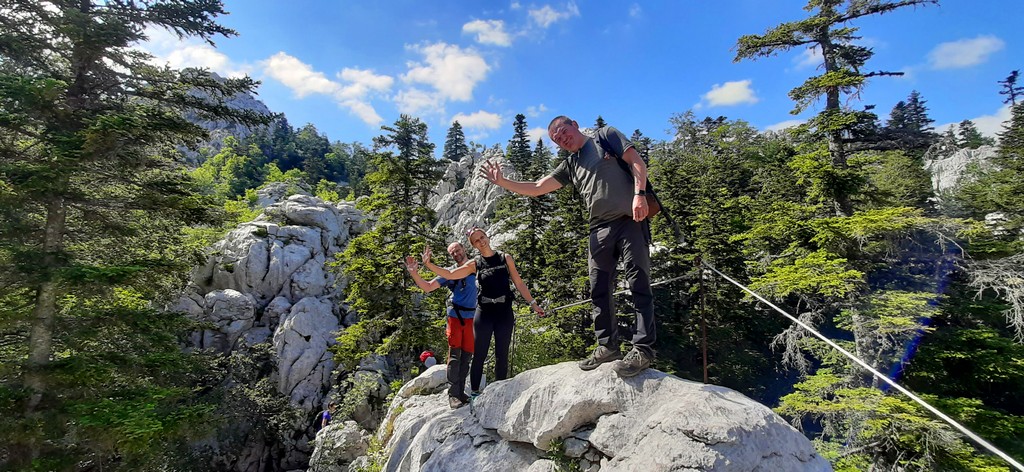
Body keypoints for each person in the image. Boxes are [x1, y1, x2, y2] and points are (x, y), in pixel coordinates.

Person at [478, 116, 655, 377]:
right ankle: (608, 346)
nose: (563, 139)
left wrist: (639, 196)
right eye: (557, 139)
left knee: (638, 281)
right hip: (599, 230)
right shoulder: (570, 165)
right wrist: (503, 182)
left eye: (563, 132)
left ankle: (643, 349)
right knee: (598, 289)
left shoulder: (605, 136)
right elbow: (538, 188)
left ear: (574, 124)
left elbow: (636, 162)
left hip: (629, 220)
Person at [421, 227, 544, 400]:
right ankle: (475, 394)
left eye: (482, 237)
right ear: (473, 245)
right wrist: (429, 265)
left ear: (487, 236)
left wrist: (533, 303)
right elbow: (450, 274)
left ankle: (500, 392)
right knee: (479, 354)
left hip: (504, 311)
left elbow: (518, 282)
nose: (481, 241)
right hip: (484, 312)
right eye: (477, 240)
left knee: (502, 354)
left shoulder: (505, 258)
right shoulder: (474, 264)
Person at [406, 242, 478, 409]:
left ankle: (460, 392)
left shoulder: (473, 265)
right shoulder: (449, 273)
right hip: (456, 316)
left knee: (467, 356)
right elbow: (428, 287)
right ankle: (453, 395)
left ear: (464, 249)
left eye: (458, 250)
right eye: (452, 252)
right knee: (455, 356)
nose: (456, 254)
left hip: (472, 317)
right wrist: (414, 272)